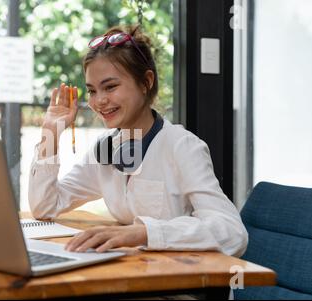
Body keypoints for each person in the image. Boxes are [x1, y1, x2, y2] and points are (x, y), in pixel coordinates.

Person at [28, 25, 248, 257]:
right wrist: (50, 133)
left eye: (110, 87)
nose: (99, 101)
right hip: (136, 271)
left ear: (146, 82)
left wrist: (143, 233)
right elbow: (45, 207)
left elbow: (233, 232)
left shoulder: (182, 146)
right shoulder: (107, 147)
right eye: (92, 91)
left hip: (181, 285)